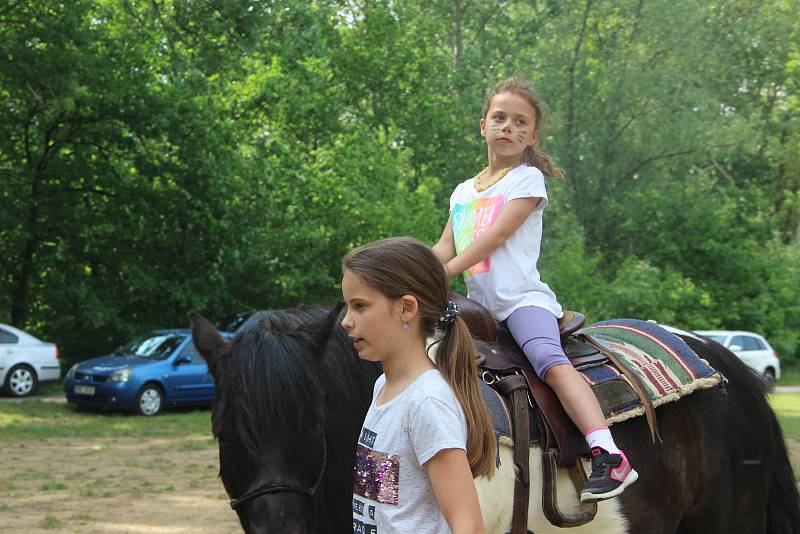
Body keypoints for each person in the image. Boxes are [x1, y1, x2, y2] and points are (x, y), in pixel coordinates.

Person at [432, 75, 637, 503]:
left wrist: (445, 270)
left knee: (547, 359)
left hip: (521, 301)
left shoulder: (526, 180)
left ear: (533, 135)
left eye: (520, 122)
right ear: (483, 125)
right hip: (477, 308)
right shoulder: (462, 192)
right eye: (500, 118)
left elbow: (494, 239)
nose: (509, 127)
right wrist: (407, 275)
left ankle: (608, 453)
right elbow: (444, 246)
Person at [342, 236, 495, 534]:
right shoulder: (383, 387)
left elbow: (470, 526)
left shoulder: (427, 403)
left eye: (360, 306)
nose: (346, 321)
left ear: (406, 309)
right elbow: (384, 502)